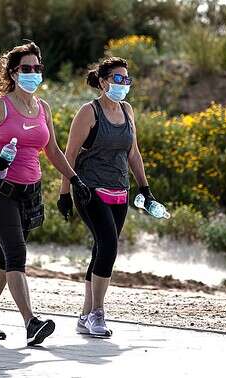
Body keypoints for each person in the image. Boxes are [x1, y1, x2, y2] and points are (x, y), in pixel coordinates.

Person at [0, 41, 91, 346]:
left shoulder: (42, 107)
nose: (33, 73)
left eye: (37, 68)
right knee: (16, 255)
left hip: (30, 192)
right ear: (14, 72)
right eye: (26, 69)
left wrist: (75, 180)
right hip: (0, 191)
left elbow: (53, 150)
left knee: (4, 256)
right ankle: (31, 323)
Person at [57, 57, 161, 337]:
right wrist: (64, 193)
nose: (122, 84)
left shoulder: (128, 111)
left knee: (100, 250)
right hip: (88, 189)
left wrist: (145, 189)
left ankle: (84, 315)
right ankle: (97, 314)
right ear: (103, 82)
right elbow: (69, 154)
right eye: (117, 79)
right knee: (109, 246)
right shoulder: (88, 112)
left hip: (120, 190)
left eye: (126, 80)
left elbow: (133, 153)